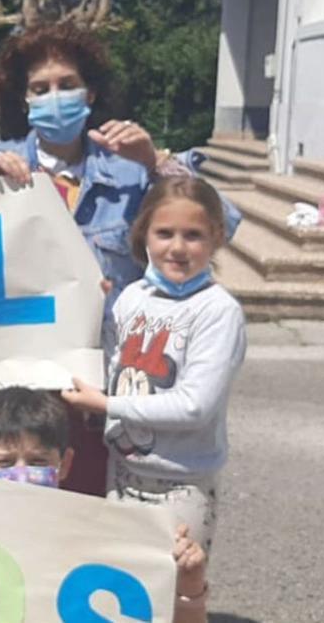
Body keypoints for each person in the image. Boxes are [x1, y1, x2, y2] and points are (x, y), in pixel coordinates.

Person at [0, 23, 241, 497]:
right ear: (24, 99)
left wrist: (156, 162)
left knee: (92, 513)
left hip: (97, 381)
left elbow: (226, 222)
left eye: (67, 85)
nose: (55, 97)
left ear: (90, 92)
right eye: (41, 88)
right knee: (13, 514)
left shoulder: (130, 168)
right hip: (15, 380)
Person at [61, 177, 245, 564]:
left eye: (193, 235)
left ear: (216, 236)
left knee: (175, 587)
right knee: (126, 583)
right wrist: (91, 307)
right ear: (143, 232)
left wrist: (108, 405)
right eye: (165, 233)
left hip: (183, 484)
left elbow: (195, 406)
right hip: (122, 471)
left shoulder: (218, 311)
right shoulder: (131, 296)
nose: (177, 247)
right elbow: (113, 364)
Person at [0, 386, 210, 623]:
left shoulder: (105, 539)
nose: (23, 473)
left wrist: (188, 589)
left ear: (65, 463)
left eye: (38, 462)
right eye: (5, 463)